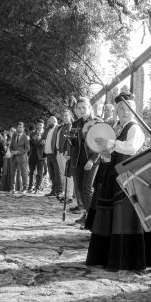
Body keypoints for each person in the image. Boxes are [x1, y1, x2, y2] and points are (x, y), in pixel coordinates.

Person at [86, 92, 151, 270]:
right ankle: (106, 256)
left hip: (129, 179)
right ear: (117, 111)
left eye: (128, 109)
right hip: (113, 176)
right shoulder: (117, 127)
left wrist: (110, 143)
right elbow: (111, 150)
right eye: (121, 109)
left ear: (134, 111)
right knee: (112, 216)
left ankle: (129, 258)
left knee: (125, 217)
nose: (124, 112)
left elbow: (132, 148)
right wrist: (104, 152)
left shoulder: (134, 128)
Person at [68, 97, 100, 226]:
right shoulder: (76, 124)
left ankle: (93, 220)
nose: (81, 110)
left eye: (84, 107)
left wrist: (92, 160)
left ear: (89, 108)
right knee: (80, 189)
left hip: (92, 160)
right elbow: (73, 143)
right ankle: (86, 215)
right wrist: (69, 144)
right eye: (79, 108)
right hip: (78, 160)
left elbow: (101, 144)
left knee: (87, 188)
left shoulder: (97, 123)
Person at [56, 110, 75, 205]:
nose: (64, 117)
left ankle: (70, 195)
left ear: (70, 116)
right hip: (59, 152)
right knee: (63, 174)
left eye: (66, 115)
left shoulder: (71, 126)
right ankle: (64, 193)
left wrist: (67, 152)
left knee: (68, 174)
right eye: (63, 115)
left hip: (66, 153)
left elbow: (70, 140)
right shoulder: (61, 126)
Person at [42, 116, 62, 197]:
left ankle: (59, 190)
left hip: (55, 154)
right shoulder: (47, 129)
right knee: (51, 174)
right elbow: (42, 139)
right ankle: (53, 190)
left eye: (50, 122)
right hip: (48, 155)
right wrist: (42, 141)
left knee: (57, 173)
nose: (49, 123)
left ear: (55, 121)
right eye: (48, 122)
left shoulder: (58, 128)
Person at [10, 121, 30, 193]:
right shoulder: (14, 136)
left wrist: (18, 152)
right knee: (13, 173)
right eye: (18, 127)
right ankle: (13, 188)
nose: (19, 128)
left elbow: (27, 149)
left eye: (21, 127)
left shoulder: (25, 137)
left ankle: (25, 188)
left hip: (22, 157)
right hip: (14, 157)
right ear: (16, 128)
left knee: (24, 173)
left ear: (23, 128)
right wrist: (12, 151)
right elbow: (11, 146)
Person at [27, 120, 46, 193]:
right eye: (38, 125)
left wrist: (42, 141)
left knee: (40, 173)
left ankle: (37, 188)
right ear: (36, 125)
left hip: (41, 156)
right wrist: (32, 139)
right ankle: (30, 187)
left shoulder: (45, 134)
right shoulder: (32, 134)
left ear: (43, 125)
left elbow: (45, 144)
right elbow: (30, 144)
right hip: (32, 155)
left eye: (41, 125)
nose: (39, 126)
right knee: (31, 172)